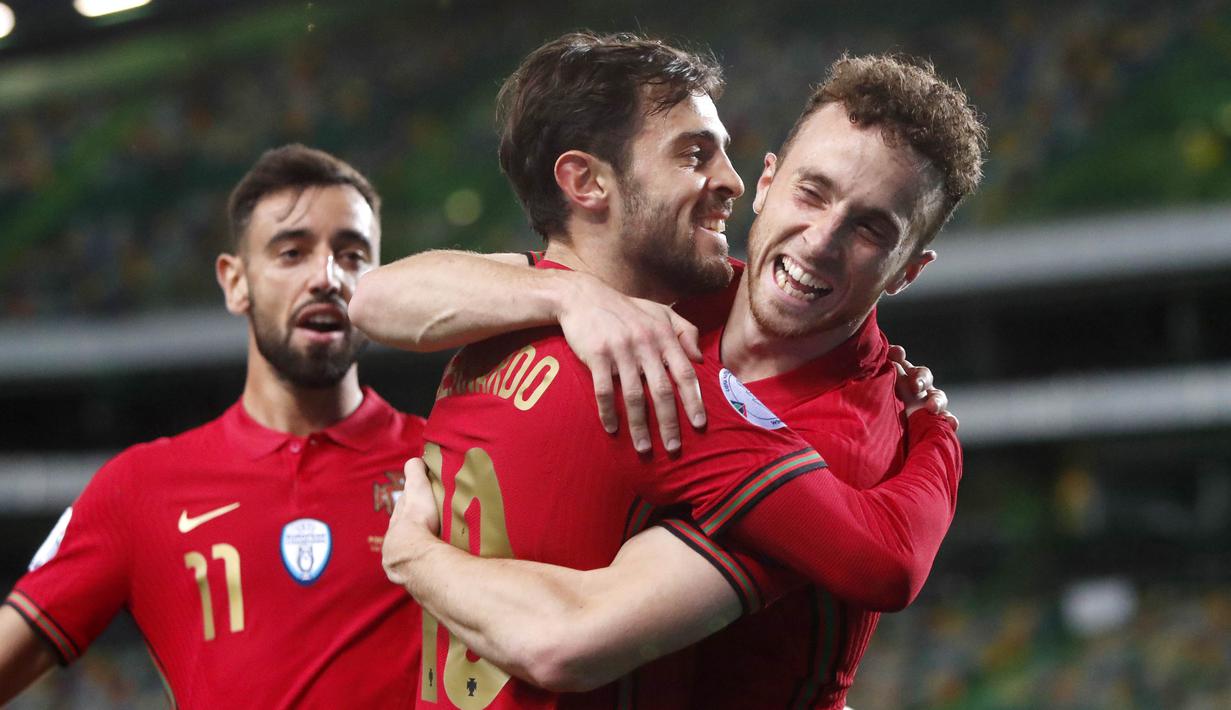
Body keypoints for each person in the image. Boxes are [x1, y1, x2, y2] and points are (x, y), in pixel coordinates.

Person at [353, 34, 980, 708]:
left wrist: (412, 556)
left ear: (907, 271)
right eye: (811, 192)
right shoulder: (662, 288)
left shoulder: (838, 440)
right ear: (767, 182)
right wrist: (568, 293)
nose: (821, 240)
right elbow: (374, 298)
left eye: (870, 231)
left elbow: (567, 641)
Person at [0, 145, 426, 708]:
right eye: (291, 252)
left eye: (352, 255)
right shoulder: (140, 488)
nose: (327, 277)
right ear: (235, 282)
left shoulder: (443, 460)